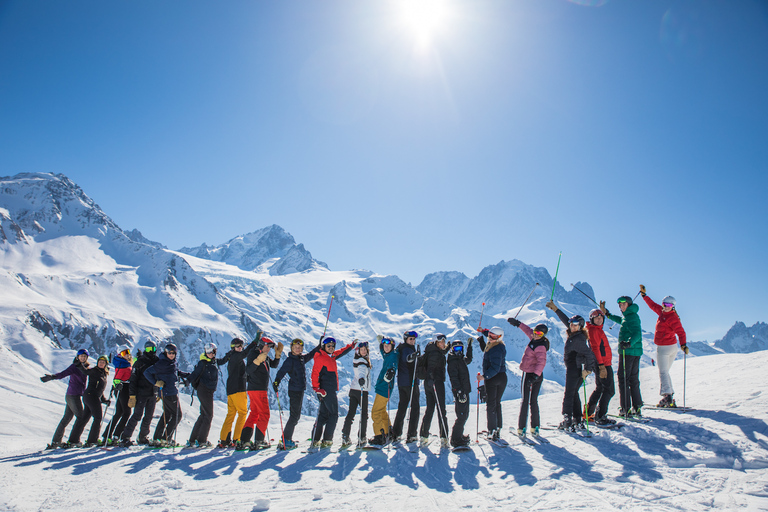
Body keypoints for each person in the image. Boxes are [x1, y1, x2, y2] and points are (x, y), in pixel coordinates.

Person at [547, 301, 598, 431]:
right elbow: (566, 321)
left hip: (574, 369)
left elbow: (589, 354)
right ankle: (577, 419)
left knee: (569, 393)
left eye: (575, 325)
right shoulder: (575, 334)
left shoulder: (577, 339)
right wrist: (556, 310)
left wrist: (588, 369)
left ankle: (567, 419)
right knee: (574, 393)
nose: (572, 326)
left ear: (580, 326)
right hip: (575, 368)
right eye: (571, 324)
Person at [640, 285, 688, 407]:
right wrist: (644, 296)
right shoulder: (661, 312)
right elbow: (652, 305)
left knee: (663, 372)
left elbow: (681, 332)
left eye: (669, 306)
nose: (666, 307)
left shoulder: (672, 318)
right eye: (664, 305)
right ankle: (669, 396)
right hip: (670, 347)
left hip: (665, 348)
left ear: (673, 307)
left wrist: (683, 344)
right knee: (665, 372)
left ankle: (667, 397)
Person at [273, 338, 321, 449]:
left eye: (299, 348)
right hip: (294, 390)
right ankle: (286, 439)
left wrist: (319, 346)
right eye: (295, 347)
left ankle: (286, 438)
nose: (298, 349)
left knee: (296, 416)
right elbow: (281, 371)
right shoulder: (290, 360)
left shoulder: (301, 359)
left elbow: (311, 354)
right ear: (292, 348)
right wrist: (277, 381)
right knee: (294, 416)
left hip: (299, 390)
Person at [601, 296, 643, 417]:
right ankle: (637, 406)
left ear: (629, 304)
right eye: (620, 304)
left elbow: (637, 333)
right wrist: (608, 315)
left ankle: (625, 408)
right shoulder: (630, 316)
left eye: (623, 304)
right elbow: (622, 321)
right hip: (634, 352)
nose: (621, 306)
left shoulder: (631, 317)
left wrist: (629, 343)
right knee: (633, 379)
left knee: (623, 379)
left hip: (628, 352)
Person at [216, 335, 261, 447]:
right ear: (233, 347)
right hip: (239, 389)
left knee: (231, 414)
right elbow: (245, 353)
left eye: (241, 345)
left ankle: (224, 439)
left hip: (230, 390)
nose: (240, 347)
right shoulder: (236, 356)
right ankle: (237, 439)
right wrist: (255, 341)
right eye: (237, 346)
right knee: (242, 413)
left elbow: (221, 361)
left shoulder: (230, 356)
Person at [310, 336, 355, 447]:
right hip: (327, 390)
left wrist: (351, 346)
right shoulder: (321, 358)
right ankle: (327, 439)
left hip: (326, 390)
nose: (331, 347)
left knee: (323, 414)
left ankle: (315, 439)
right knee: (334, 415)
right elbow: (315, 374)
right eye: (328, 346)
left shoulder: (331, 356)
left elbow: (341, 352)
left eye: (332, 346)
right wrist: (317, 389)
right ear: (323, 346)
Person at [40, 348, 89, 448]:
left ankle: (56, 442)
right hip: (73, 396)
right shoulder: (74, 366)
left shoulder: (85, 367)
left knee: (67, 418)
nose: (82, 358)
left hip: (73, 395)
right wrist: (52, 377)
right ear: (77, 357)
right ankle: (74, 440)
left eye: (84, 356)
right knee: (81, 417)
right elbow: (63, 374)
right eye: (81, 356)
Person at [240, 337, 284, 449]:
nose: (269, 349)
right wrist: (257, 361)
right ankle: (259, 441)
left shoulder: (263, 354)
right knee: (264, 414)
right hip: (258, 389)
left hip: (254, 389)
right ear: (261, 344)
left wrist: (277, 356)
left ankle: (244, 440)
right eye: (267, 346)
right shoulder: (254, 354)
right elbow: (248, 370)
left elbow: (273, 365)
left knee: (254, 413)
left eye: (270, 347)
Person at [144, 343, 191, 446]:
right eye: (170, 353)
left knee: (167, 414)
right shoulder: (162, 363)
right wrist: (155, 382)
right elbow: (147, 372)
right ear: (166, 353)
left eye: (173, 353)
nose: (171, 355)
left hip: (168, 392)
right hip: (168, 393)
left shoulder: (171, 363)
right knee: (177, 415)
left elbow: (175, 372)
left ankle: (158, 438)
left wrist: (187, 375)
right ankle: (166, 438)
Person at [508, 319, 549, 437]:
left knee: (525, 401)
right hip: (537, 375)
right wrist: (518, 323)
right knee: (533, 401)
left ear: (543, 335)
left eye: (539, 334)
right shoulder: (535, 339)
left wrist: (534, 376)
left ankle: (522, 428)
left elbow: (542, 362)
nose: (536, 334)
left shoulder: (539, 346)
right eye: (536, 332)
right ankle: (535, 427)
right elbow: (528, 330)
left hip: (530, 374)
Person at [120, 340, 160, 446]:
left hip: (152, 393)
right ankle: (125, 437)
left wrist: (158, 392)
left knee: (149, 416)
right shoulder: (140, 362)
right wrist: (132, 395)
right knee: (137, 415)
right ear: (145, 349)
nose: (151, 351)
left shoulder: (157, 361)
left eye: (153, 349)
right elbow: (133, 380)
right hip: (141, 393)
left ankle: (143, 437)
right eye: (148, 349)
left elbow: (160, 377)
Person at [68, 355, 111, 447]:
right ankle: (92, 440)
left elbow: (100, 389)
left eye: (103, 362)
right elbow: (85, 371)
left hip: (91, 396)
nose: (101, 363)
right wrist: (79, 364)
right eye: (100, 361)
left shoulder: (103, 374)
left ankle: (73, 440)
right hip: (91, 396)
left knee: (84, 418)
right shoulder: (94, 370)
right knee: (98, 418)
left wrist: (104, 400)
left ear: (106, 364)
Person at [585, 309, 616, 425]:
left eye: (601, 318)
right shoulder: (594, 331)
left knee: (600, 388)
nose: (599, 319)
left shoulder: (597, 330)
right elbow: (595, 348)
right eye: (597, 318)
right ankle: (600, 416)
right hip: (602, 364)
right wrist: (601, 366)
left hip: (602, 363)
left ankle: (589, 413)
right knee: (609, 390)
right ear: (592, 319)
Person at [419, 333, 450, 447]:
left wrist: (446, 349)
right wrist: (432, 378)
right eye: (441, 342)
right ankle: (444, 438)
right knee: (441, 410)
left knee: (430, 409)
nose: (443, 344)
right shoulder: (435, 353)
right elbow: (432, 366)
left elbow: (439, 354)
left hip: (428, 383)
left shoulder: (431, 350)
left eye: (444, 342)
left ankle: (423, 436)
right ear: (436, 342)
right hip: (436, 382)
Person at [477, 326, 507, 441]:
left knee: (491, 404)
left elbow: (495, 367)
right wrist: (483, 332)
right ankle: (497, 428)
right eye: (490, 334)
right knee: (497, 403)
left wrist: (484, 376)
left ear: (499, 337)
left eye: (493, 336)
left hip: (493, 378)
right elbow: (487, 348)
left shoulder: (495, 349)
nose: (490, 337)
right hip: (502, 377)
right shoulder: (497, 345)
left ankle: (492, 430)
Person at [187, 343, 220, 447]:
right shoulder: (203, 363)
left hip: (207, 391)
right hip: (204, 390)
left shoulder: (212, 362)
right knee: (208, 415)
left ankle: (193, 440)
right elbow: (195, 374)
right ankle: (202, 441)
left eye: (212, 351)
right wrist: (187, 381)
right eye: (208, 351)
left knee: (204, 415)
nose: (210, 353)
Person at [391, 330, 420, 443]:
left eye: (413, 339)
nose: (412, 341)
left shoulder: (401, 348)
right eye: (410, 339)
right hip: (410, 382)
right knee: (415, 408)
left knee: (402, 407)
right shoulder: (406, 349)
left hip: (403, 382)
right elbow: (407, 358)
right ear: (406, 339)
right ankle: (412, 434)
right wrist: (414, 355)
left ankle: (396, 433)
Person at [369, 336, 399, 446]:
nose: (386, 347)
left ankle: (379, 436)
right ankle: (388, 432)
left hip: (384, 388)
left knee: (376, 412)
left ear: (392, 346)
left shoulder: (393, 357)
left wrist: (390, 372)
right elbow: (383, 352)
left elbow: (393, 366)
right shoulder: (388, 354)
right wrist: (381, 343)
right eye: (384, 345)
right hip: (384, 388)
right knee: (381, 411)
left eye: (388, 345)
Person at [341, 341, 371, 447]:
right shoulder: (362, 361)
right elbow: (362, 372)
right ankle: (362, 437)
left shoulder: (357, 360)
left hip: (353, 389)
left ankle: (345, 435)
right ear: (358, 351)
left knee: (351, 413)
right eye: (361, 350)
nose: (363, 351)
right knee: (363, 414)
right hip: (361, 390)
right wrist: (362, 379)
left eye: (365, 350)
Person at [102, 345, 133, 445]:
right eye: (124, 353)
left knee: (119, 412)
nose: (127, 355)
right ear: (120, 354)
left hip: (124, 388)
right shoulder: (121, 364)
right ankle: (117, 435)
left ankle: (107, 435)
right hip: (122, 389)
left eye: (127, 352)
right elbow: (116, 378)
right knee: (127, 412)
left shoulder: (126, 362)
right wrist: (117, 384)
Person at [446, 337, 474, 447]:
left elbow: (469, 359)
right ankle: (455, 439)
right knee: (462, 415)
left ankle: (459, 436)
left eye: (460, 348)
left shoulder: (461, 359)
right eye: (456, 348)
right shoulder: (453, 362)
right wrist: (459, 391)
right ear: (452, 349)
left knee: (464, 414)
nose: (458, 351)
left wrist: (470, 347)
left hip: (465, 390)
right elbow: (454, 378)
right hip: (460, 391)